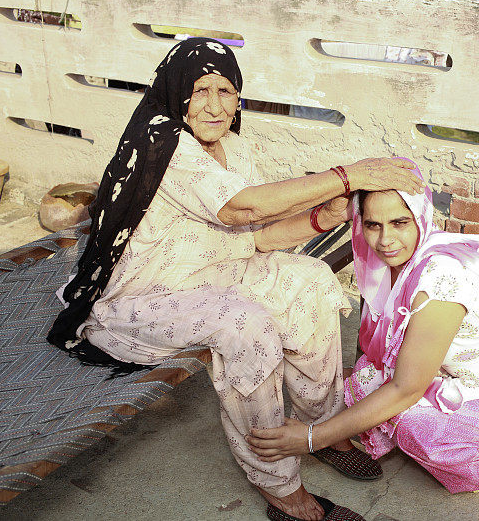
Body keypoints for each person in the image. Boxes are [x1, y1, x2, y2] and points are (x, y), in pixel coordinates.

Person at [47, 38, 422, 521]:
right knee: (246, 326)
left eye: (226, 91)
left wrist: (321, 218)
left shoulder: (233, 148)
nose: (214, 105)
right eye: (200, 90)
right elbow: (242, 205)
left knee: (309, 280)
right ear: (176, 92)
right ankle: (278, 484)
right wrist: (350, 175)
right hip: (141, 298)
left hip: (215, 273)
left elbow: (257, 234)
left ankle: (320, 427)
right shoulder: (166, 145)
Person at [247, 163, 479, 493]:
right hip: (472, 374)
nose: (385, 240)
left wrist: (310, 439)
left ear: (420, 216)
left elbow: (406, 389)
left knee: (412, 424)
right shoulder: (391, 262)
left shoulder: (439, 279)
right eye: (373, 225)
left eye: (400, 223)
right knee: (366, 376)